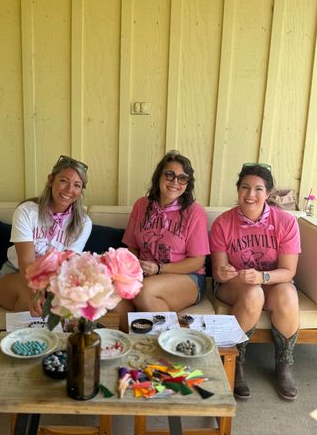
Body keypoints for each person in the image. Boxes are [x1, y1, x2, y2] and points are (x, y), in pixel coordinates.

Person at [210, 163, 300, 401]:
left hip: (271, 282)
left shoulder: (286, 223)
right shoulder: (223, 223)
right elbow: (218, 272)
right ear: (238, 190)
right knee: (253, 292)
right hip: (236, 286)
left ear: (268, 193)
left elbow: (289, 272)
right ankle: (236, 360)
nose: (250, 195)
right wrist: (224, 272)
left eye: (258, 189)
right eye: (245, 188)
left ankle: (283, 363)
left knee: (288, 294)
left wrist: (262, 277)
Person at [116, 150, 210, 331]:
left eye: (182, 178)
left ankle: (173, 342)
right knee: (114, 294)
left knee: (143, 291)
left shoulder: (194, 212)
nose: (175, 182)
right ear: (159, 176)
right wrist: (133, 269)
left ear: (187, 184)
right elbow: (132, 247)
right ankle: (134, 346)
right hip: (146, 274)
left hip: (188, 277)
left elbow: (198, 261)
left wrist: (160, 269)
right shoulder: (141, 206)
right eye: (170, 175)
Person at [0, 155, 92, 316]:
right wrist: (37, 293)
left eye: (77, 185)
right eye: (64, 181)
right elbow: (26, 261)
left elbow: (67, 265)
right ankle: (23, 341)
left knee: (62, 303)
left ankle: (52, 340)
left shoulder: (83, 223)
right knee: (30, 297)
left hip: (54, 280)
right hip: (16, 273)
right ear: (51, 180)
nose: (69, 190)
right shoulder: (26, 211)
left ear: (81, 191)